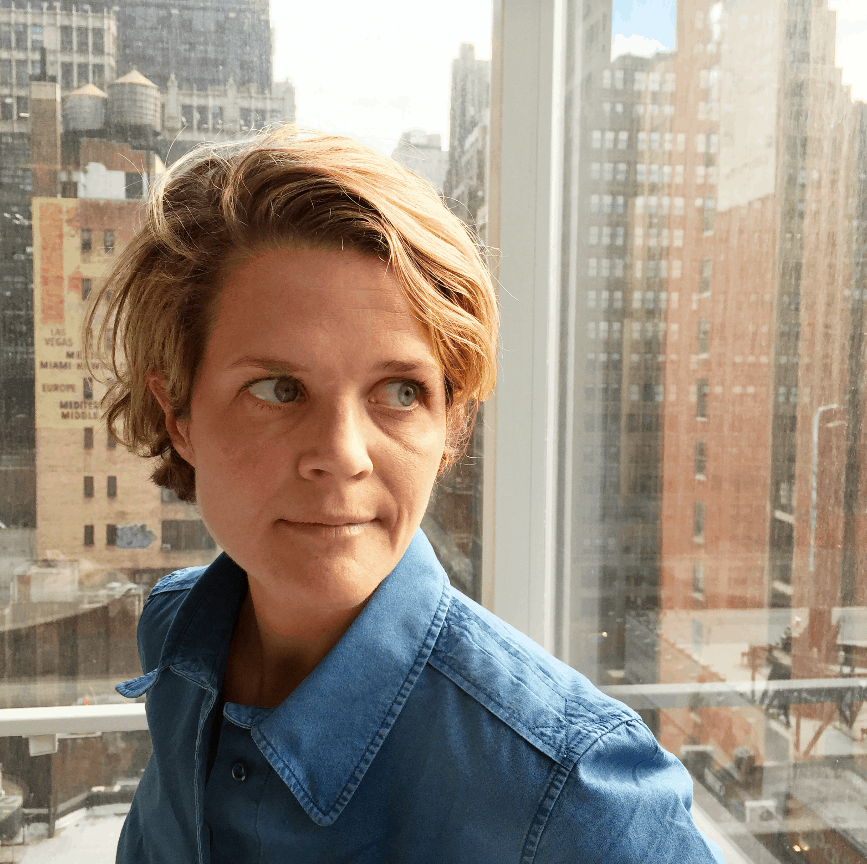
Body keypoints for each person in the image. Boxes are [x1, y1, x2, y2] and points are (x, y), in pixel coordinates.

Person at [87, 127, 727, 863]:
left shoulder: (578, 793)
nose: (342, 456)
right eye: (278, 388)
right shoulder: (178, 636)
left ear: (448, 425)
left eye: (399, 392)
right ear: (179, 417)